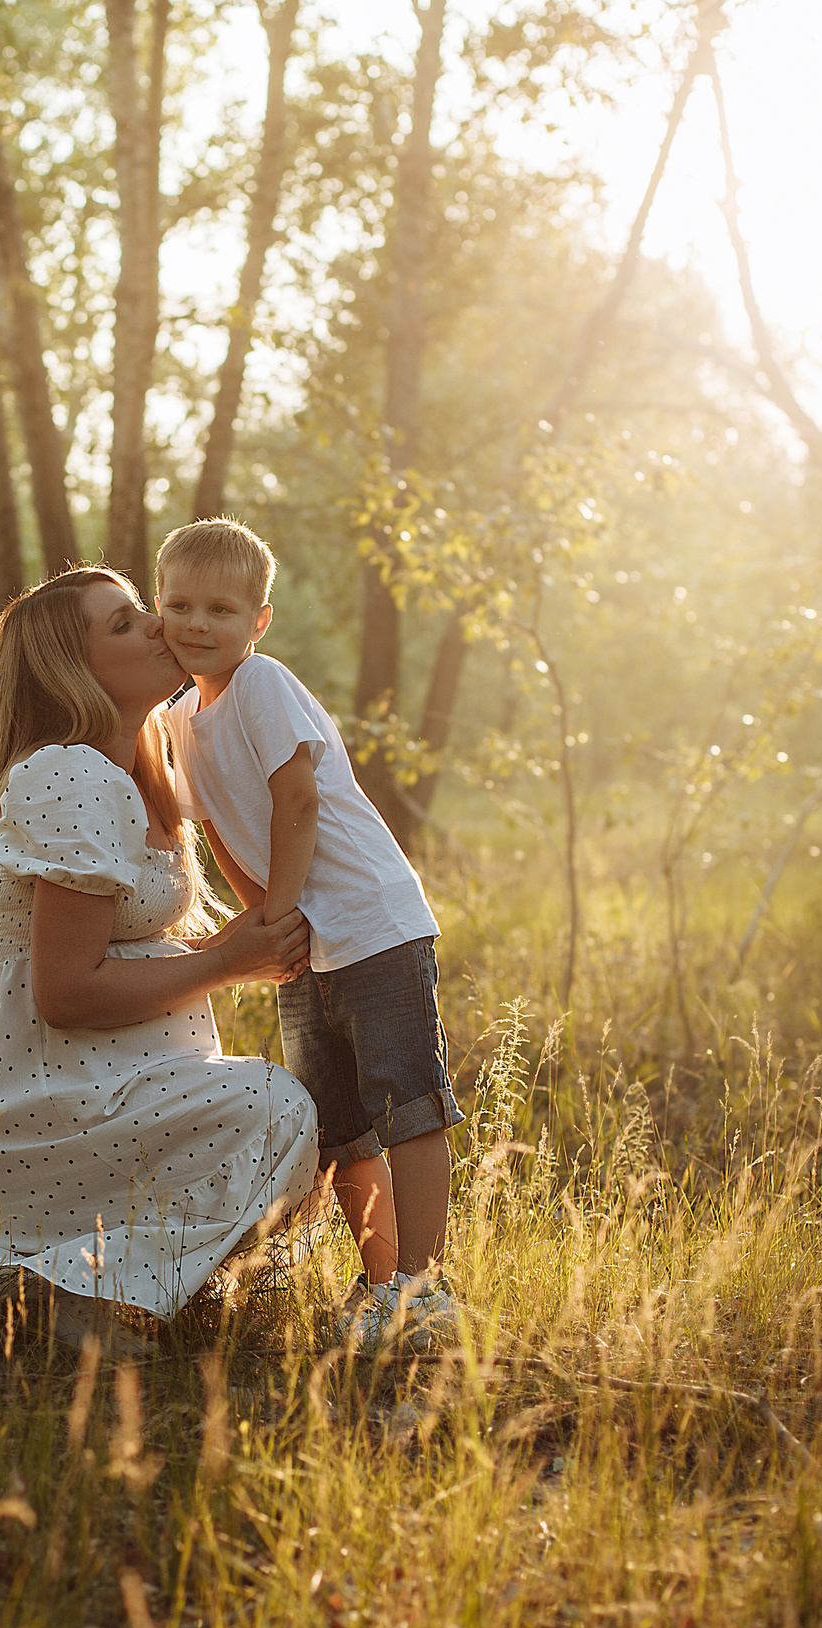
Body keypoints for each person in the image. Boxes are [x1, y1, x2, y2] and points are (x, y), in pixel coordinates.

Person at [0, 567, 323, 1350]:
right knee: (277, 1111)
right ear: (68, 670)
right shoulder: (69, 773)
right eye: (122, 623)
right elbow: (68, 991)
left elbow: (120, 945)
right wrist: (224, 962)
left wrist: (244, 946)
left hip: (88, 1087)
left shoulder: (133, 775)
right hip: (23, 1101)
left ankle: (74, 1284)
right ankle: (66, 1296)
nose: (157, 625)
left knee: (285, 1113)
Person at [156, 518, 464, 1352]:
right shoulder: (181, 716)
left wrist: (280, 907)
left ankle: (427, 1288)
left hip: (369, 921)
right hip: (305, 939)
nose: (197, 622)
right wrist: (259, 914)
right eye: (179, 603)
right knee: (336, 1125)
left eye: (220, 609)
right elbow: (216, 822)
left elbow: (297, 798)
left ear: (257, 621)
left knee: (406, 1101)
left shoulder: (262, 686)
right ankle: (380, 1286)